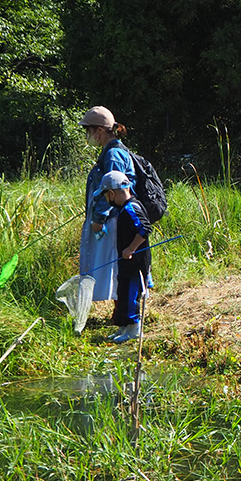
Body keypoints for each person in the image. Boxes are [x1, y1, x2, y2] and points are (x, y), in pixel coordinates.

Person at [80, 106, 136, 303]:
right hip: (111, 219)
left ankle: (123, 310)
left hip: (112, 220)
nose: (88, 135)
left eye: (89, 130)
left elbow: (113, 188)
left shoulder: (113, 155)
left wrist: (98, 217)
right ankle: (120, 310)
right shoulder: (109, 152)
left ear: (100, 131)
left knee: (114, 263)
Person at [96, 171, 152, 342]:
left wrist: (130, 249)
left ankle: (134, 328)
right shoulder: (123, 209)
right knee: (123, 292)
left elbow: (145, 229)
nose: (106, 200)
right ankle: (124, 327)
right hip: (126, 262)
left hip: (135, 262)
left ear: (111, 193)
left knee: (131, 294)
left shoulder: (131, 208)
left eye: (106, 196)